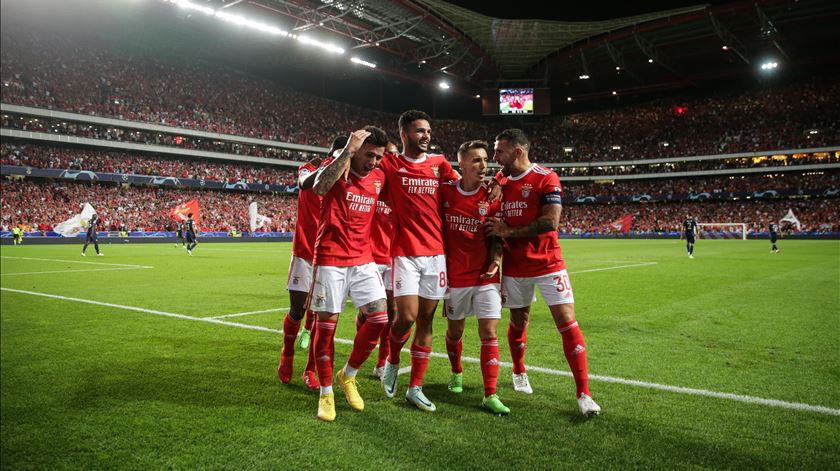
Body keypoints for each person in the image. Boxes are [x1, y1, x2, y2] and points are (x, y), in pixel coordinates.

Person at [486, 128, 601, 417]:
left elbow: (550, 222)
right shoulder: (500, 181)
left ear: (518, 151)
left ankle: (584, 393)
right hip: (516, 267)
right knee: (519, 319)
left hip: (549, 263)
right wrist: (498, 181)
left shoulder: (546, 178)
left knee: (567, 320)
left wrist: (508, 232)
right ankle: (518, 370)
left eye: (499, 151)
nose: (495, 156)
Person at [378, 110, 461, 412]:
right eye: (419, 131)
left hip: (436, 255)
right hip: (405, 254)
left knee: (426, 320)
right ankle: (392, 359)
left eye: (428, 131)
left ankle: (415, 387)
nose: (425, 136)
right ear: (403, 134)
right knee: (407, 317)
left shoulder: (440, 164)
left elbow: (462, 191)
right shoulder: (390, 164)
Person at [309, 126, 390, 422]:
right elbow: (318, 187)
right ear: (357, 151)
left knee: (380, 318)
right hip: (330, 257)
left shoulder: (380, 177)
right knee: (326, 328)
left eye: (379, 157)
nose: (374, 162)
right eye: (369, 155)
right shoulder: (339, 169)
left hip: (362, 258)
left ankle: (349, 375)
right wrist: (347, 152)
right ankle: (326, 393)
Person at [440, 140, 510, 415]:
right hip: (455, 277)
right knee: (455, 331)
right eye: (476, 160)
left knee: (489, 333)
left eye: (484, 160)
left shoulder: (492, 197)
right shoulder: (444, 192)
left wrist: (495, 260)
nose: (483, 165)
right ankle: (456, 372)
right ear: (462, 164)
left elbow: (495, 235)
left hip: (485, 276)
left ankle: (490, 394)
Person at [277, 135, 348, 391]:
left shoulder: (348, 182)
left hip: (329, 257)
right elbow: (304, 182)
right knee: (297, 309)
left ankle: (310, 370)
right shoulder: (309, 169)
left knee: (320, 318)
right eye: (340, 153)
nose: (344, 159)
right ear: (332, 154)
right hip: (304, 253)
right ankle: (287, 355)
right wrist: (326, 166)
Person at [357, 140, 399, 379]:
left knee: (391, 313)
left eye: (393, 156)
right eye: (385, 157)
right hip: (369, 257)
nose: (388, 161)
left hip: (393, 258)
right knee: (368, 314)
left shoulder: (400, 189)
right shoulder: (368, 183)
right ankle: (362, 352)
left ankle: (381, 362)